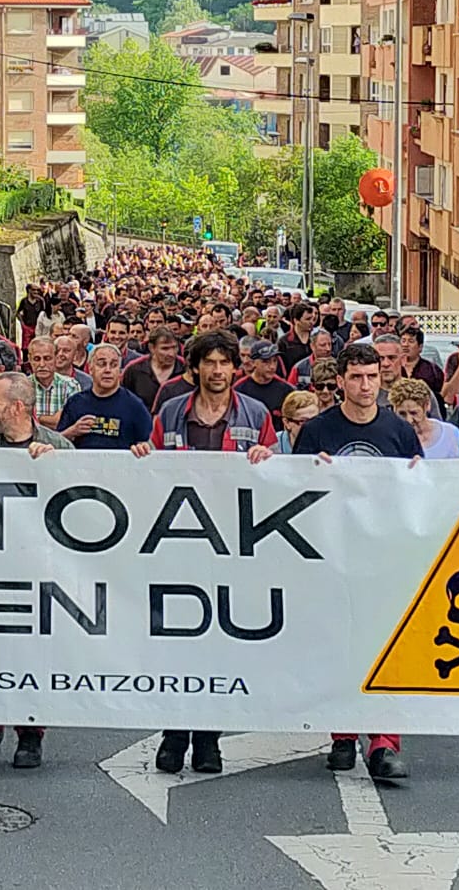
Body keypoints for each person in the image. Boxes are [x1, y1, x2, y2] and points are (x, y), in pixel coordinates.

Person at [131, 331, 277, 776]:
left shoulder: (256, 414)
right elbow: (152, 468)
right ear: (193, 369)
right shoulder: (171, 412)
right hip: (179, 547)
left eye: (224, 363)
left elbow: (280, 473)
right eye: (209, 364)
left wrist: (266, 457)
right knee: (177, 645)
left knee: (219, 648)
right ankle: (174, 735)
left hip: (232, 550)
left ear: (236, 367)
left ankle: (209, 740)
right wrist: (142, 455)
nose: (217, 372)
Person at [291, 343, 420, 780]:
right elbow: (293, 490)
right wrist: (312, 470)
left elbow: (413, 495)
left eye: (372, 377)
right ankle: (343, 736)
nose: (366, 385)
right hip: (332, 552)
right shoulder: (317, 431)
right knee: (339, 645)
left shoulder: (398, 432)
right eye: (357, 377)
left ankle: (384, 742)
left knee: (385, 646)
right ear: (340, 381)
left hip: (383, 554)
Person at [0, 372, 71, 770]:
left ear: (17, 408)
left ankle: (30, 734)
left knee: (34, 652)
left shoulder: (58, 446)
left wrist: (57, 467)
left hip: (40, 569)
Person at [59, 343, 154, 450]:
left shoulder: (135, 406)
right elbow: (58, 443)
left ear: (119, 371)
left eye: (113, 365)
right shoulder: (75, 403)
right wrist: (72, 431)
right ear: (90, 369)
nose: (107, 370)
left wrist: (142, 447)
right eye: (102, 364)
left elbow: (149, 446)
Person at [390, 377, 459, 460]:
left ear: (427, 405)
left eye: (414, 413)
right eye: (402, 414)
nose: (409, 420)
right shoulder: (390, 437)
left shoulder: (451, 433)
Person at [373, 334, 442, 419]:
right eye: (380, 359)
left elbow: (436, 427)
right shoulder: (366, 393)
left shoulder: (420, 391)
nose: (385, 364)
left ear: (403, 360)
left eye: (392, 358)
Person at [233, 339, 292, 426]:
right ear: (253, 363)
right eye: (266, 362)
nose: (272, 366)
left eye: (275, 361)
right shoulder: (239, 389)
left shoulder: (287, 390)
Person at [121, 327, 185, 407]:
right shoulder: (134, 369)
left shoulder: (186, 368)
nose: (171, 354)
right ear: (152, 348)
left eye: (174, 347)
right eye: (165, 348)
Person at [27, 336, 81, 429]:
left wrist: (35, 418)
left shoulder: (70, 385)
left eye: (47, 358)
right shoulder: (22, 386)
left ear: (56, 358)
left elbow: (65, 422)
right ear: (29, 359)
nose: (42, 364)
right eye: (37, 359)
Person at [396, 326, 445, 396]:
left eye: (411, 341)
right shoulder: (393, 367)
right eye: (403, 341)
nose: (405, 345)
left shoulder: (432, 370)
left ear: (420, 347)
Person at [276, 389, 321, 454]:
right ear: (287, 422)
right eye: (303, 421)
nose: (311, 426)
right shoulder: (273, 444)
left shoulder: (328, 442)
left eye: (315, 420)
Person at [278, 303, 317, 371]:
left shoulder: (317, 338)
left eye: (312, 319)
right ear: (296, 320)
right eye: (307, 319)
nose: (311, 322)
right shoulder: (284, 342)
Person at [17, 284, 46, 351]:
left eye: (37, 290)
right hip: (27, 327)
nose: (36, 292)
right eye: (33, 290)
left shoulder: (41, 301)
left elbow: (44, 313)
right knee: (26, 348)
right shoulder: (24, 301)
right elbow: (18, 313)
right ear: (29, 290)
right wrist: (22, 324)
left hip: (38, 326)